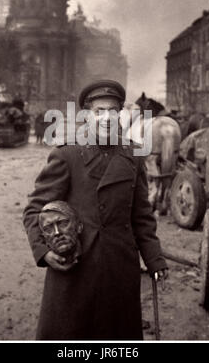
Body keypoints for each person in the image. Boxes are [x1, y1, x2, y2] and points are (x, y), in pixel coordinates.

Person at [23, 79, 168, 340]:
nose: (106, 118)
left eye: (113, 111)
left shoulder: (133, 155)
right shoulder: (67, 155)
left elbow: (141, 215)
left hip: (119, 268)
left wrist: (154, 258)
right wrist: (43, 251)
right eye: (99, 111)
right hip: (76, 265)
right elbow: (34, 208)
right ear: (87, 116)